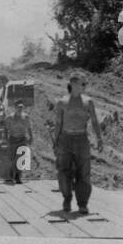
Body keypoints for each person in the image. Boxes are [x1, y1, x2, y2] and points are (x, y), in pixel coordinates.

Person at [52, 74, 103, 214]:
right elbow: (58, 123)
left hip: (82, 139)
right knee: (63, 172)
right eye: (82, 84)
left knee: (84, 173)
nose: (84, 86)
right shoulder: (62, 101)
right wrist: (56, 142)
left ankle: (82, 204)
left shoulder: (88, 101)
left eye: (84, 84)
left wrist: (99, 139)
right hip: (65, 139)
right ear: (73, 84)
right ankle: (67, 199)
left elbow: (94, 121)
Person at [5, 101, 33, 184]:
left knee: (21, 159)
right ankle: (11, 175)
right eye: (18, 107)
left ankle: (18, 177)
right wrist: (6, 139)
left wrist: (31, 137)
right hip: (13, 139)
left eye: (21, 107)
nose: (20, 109)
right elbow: (6, 129)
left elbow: (29, 128)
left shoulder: (26, 117)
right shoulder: (9, 118)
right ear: (15, 108)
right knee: (12, 159)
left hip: (22, 139)